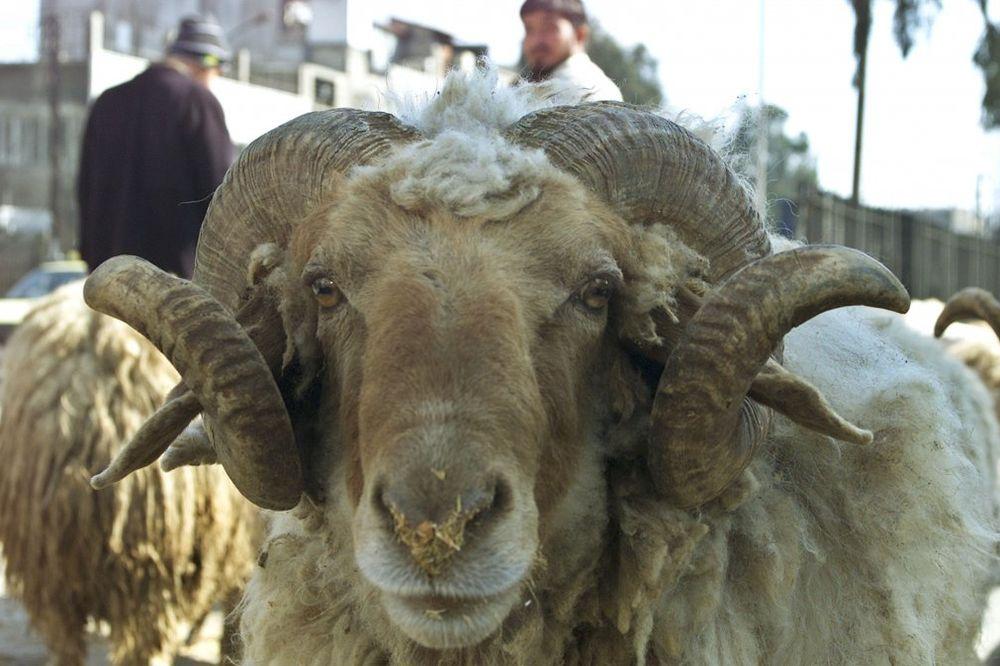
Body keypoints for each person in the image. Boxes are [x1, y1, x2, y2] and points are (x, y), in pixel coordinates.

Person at [77, 16, 235, 278]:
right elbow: (221, 195)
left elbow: (84, 190)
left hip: (108, 284)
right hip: (175, 286)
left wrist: (91, 260)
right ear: (207, 64)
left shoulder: (107, 102)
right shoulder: (197, 102)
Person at [520, 0, 623, 102]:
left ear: (579, 35)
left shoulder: (581, 89)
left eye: (549, 28)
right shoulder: (542, 89)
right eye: (529, 29)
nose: (536, 40)